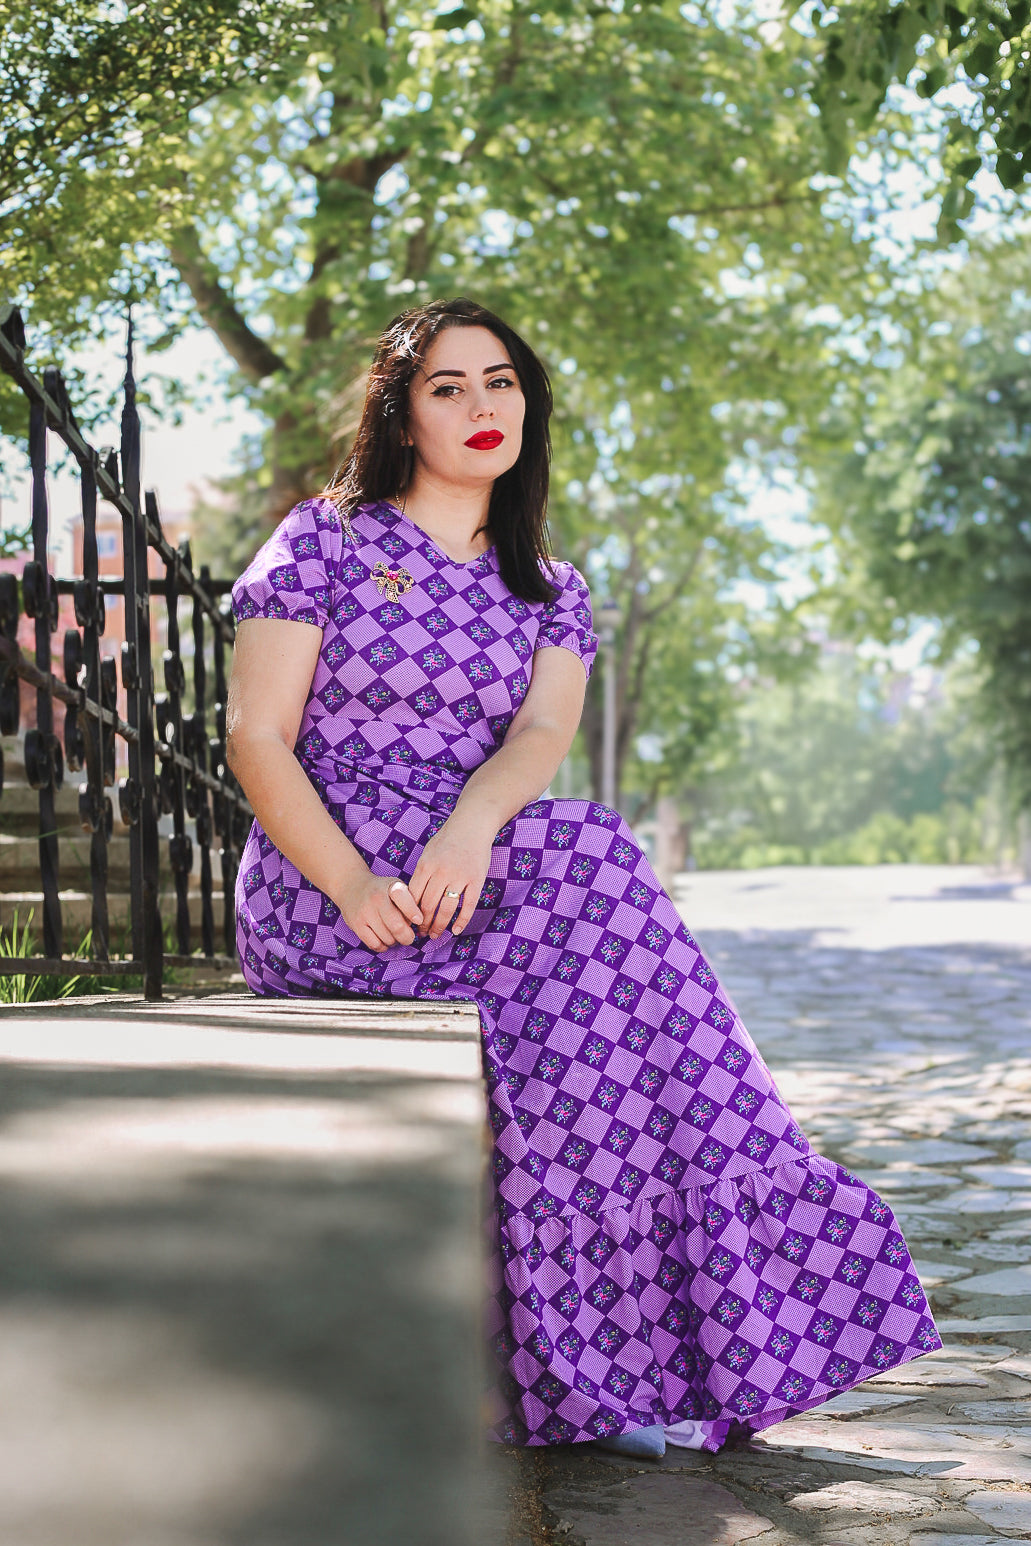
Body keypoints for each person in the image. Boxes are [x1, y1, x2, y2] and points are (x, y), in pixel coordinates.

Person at [226, 297, 940, 1459]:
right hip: (330, 883)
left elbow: (536, 738)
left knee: (599, 1009)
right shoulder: (324, 542)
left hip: (472, 870)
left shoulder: (550, 588)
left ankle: (595, 1358)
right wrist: (353, 884)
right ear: (401, 417)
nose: (480, 405)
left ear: (527, 405)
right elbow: (255, 736)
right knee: (596, 879)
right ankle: (623, 1358)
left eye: (499, 382)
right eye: (447, 386)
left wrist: (469, 826)